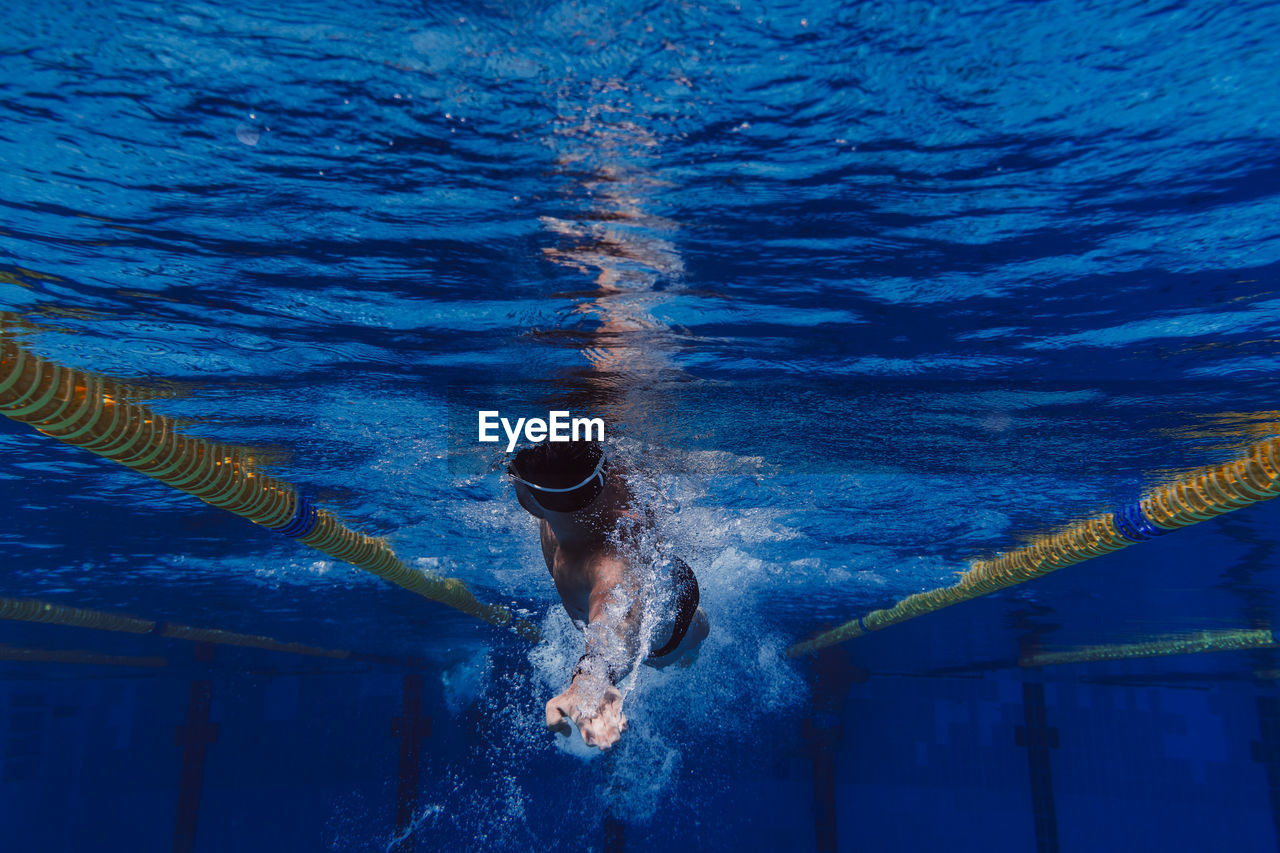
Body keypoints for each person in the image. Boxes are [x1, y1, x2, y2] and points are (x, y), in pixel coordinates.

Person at [508, 438, 709, 750]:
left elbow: (616, 609)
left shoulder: (603, 560)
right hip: (645, 574)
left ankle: (694, 635)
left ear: (523, 497)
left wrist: (592, 678)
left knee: (682, 641)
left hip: (663, 623)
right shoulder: (577, 481)